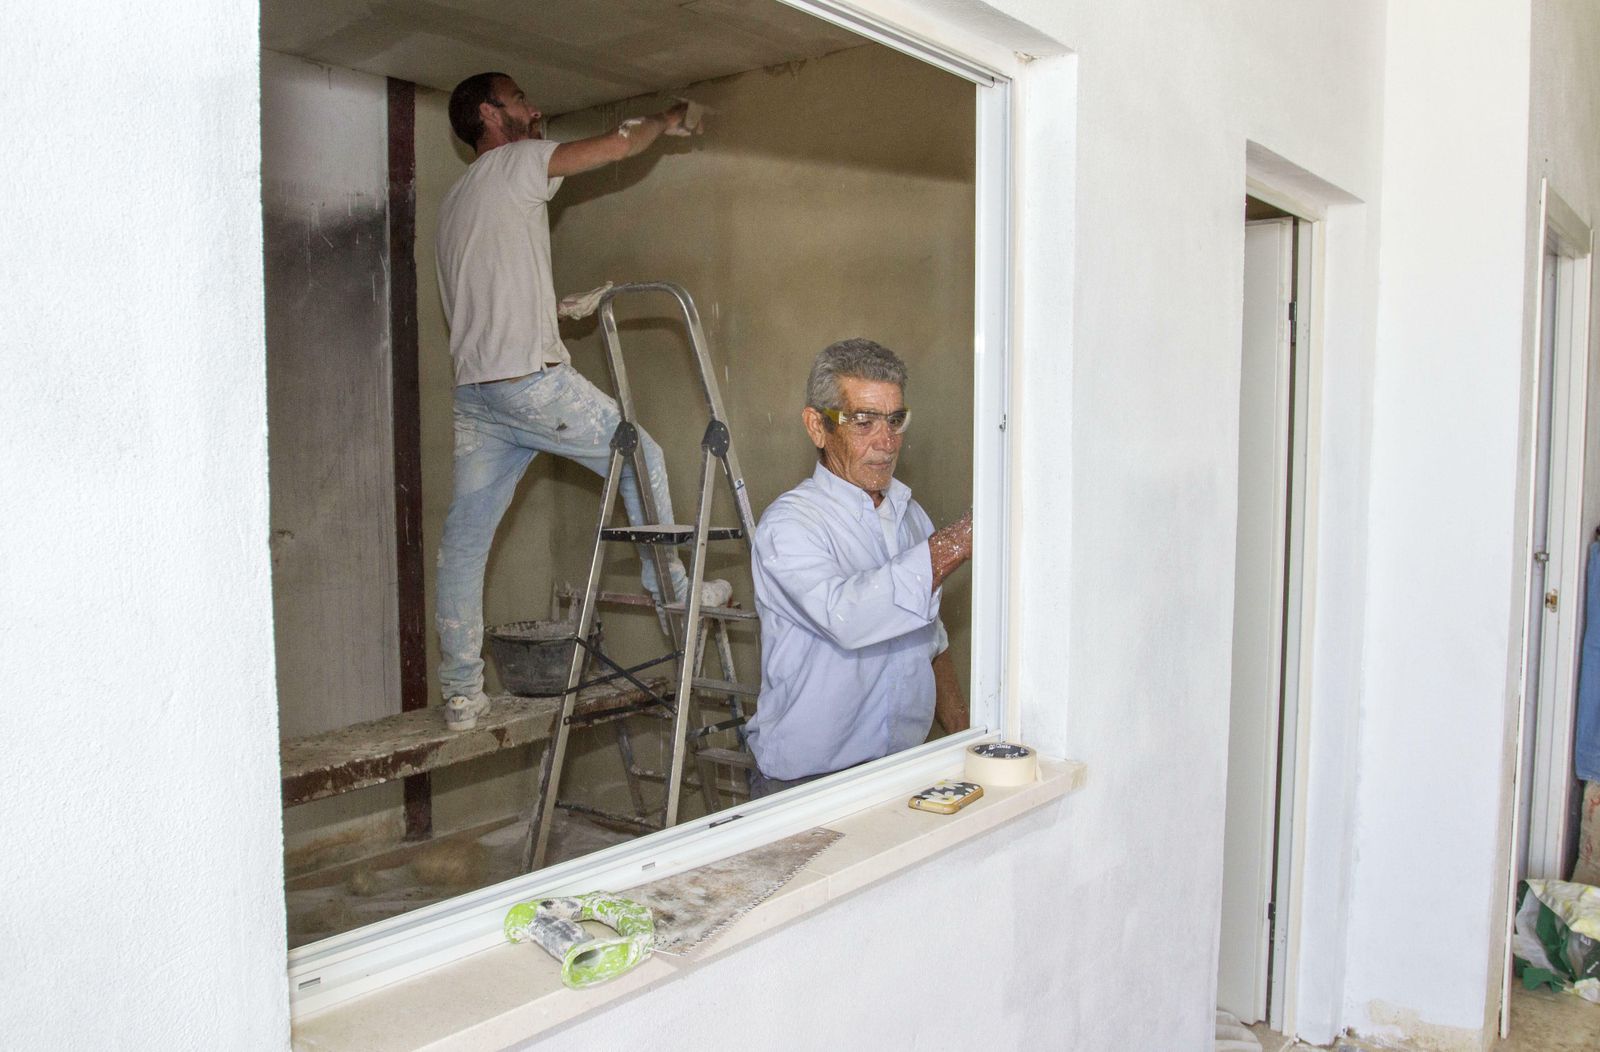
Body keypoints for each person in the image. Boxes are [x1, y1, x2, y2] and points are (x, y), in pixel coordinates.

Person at [433, 71, 700, 731]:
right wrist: (667, 119)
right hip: (529, 382)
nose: (534, 106)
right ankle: (672, 589)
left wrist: (550, 311)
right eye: (520, 98)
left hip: (478, 395)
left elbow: (487, 298)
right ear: (490, 115)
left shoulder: (458, 199)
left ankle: (463, 693)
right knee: (643, 457)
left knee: (463, 544)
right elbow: (615, 146)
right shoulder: (517, 163)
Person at [745, 338, 973, 797]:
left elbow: (932, 640)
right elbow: (848, 616)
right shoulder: (789, 525)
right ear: (817, 426)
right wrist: (962, 539)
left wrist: (966, 738)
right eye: (863, 421)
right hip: (804, 785)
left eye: (894, 420)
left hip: (904, 770)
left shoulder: (911, 515)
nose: (885, 442)